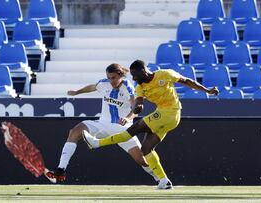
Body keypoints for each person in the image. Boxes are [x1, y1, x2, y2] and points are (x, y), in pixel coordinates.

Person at [83, 60, 219, 189]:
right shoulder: (140, 87)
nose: (134, 79)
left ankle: (97, 143)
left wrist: (207, 91)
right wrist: (137, 107)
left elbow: (187, 81)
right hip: (165, 117)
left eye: (135, 75)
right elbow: (138, 102)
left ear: (143, 70)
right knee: (146, 149)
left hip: (171, 113)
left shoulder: (165, 74)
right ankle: (164, 181)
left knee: (134, 129)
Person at [46, 63, 158, 183]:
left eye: (114, 78)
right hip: (102, 124)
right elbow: (92, 87)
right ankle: (60, 170)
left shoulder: (127, 87)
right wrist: (77, 92)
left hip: (122, 129)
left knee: (141, 160)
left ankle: (160, 178)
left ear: (120, 75)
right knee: (75, 131)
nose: (111, 81)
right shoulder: (104, 83)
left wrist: (128, 118)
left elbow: (135, 108)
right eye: (109, 78)